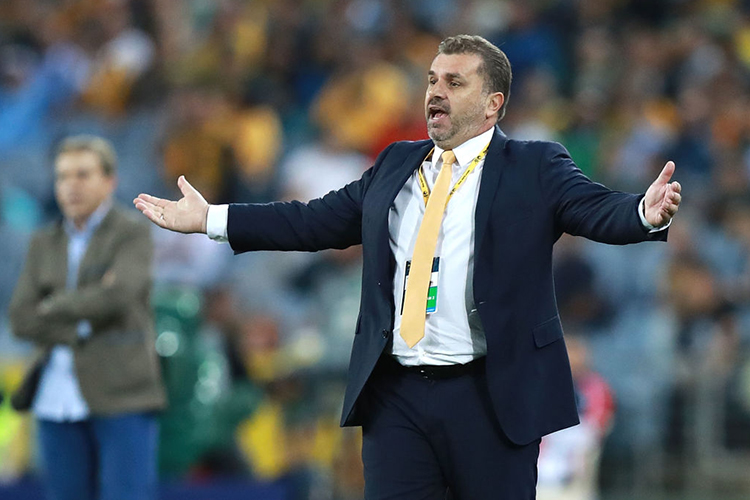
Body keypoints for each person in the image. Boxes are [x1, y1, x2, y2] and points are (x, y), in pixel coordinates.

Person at [134, 35, 681, 499]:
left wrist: (642, 212)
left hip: (490, 396)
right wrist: (212, 219)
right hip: (397, 394)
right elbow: (312, 221)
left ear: (493, 104)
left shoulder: (534, 166)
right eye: (432, 79)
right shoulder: (397, 162)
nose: (436, 91)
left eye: (455, 82)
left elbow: (594, 208)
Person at [11, 135, 166, 500]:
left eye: (83, 174)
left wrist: (51, 306)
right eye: (63, 177)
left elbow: (119, 295)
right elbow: (20, 317)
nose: (71, 186)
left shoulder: (132, 232)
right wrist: (85, 309)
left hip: (123, 393)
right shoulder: (43, 242)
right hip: (55, 397)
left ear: (109, 181)